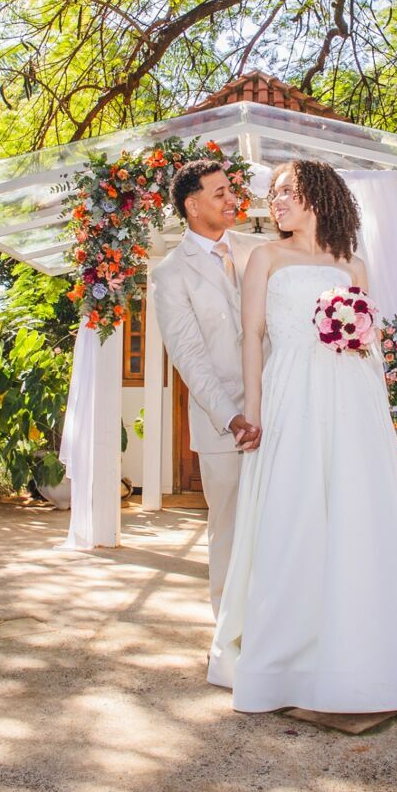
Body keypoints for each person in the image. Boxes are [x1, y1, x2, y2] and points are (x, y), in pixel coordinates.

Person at [208, 159, 397, 714]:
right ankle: (289, 653)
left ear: (319, 196)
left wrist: (378, 404)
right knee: (293, 509)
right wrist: (253, 411)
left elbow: (366, 343)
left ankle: (368, 645)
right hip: (291, 392)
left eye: (286, 192)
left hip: (352, 398)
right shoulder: (264, 258)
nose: (275, 203)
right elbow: (252, 336)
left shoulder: (353, 265)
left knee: (356, 509)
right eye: (271, 195)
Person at [150, 158, 265, 616]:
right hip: (224, 426)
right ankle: (231, 628)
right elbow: (190, 358)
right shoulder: (171, 273)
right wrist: (233, 417)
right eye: (219, 193)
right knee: (230, 529)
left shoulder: (260, 251)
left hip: (279, 408)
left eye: (231, 190)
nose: (232, 199)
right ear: (193, 206)